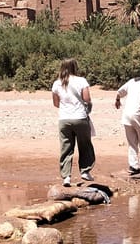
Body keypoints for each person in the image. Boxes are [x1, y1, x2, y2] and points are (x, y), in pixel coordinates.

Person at [51, 58, 96, 186]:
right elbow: (87, 99)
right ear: (74, 67)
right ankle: (85, 171)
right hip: (80, 117)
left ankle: (66, 177)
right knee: (85, 145)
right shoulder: (81, 81)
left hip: (64, 119)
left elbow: (56, 103)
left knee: (66, 148)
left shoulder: (56, 83)